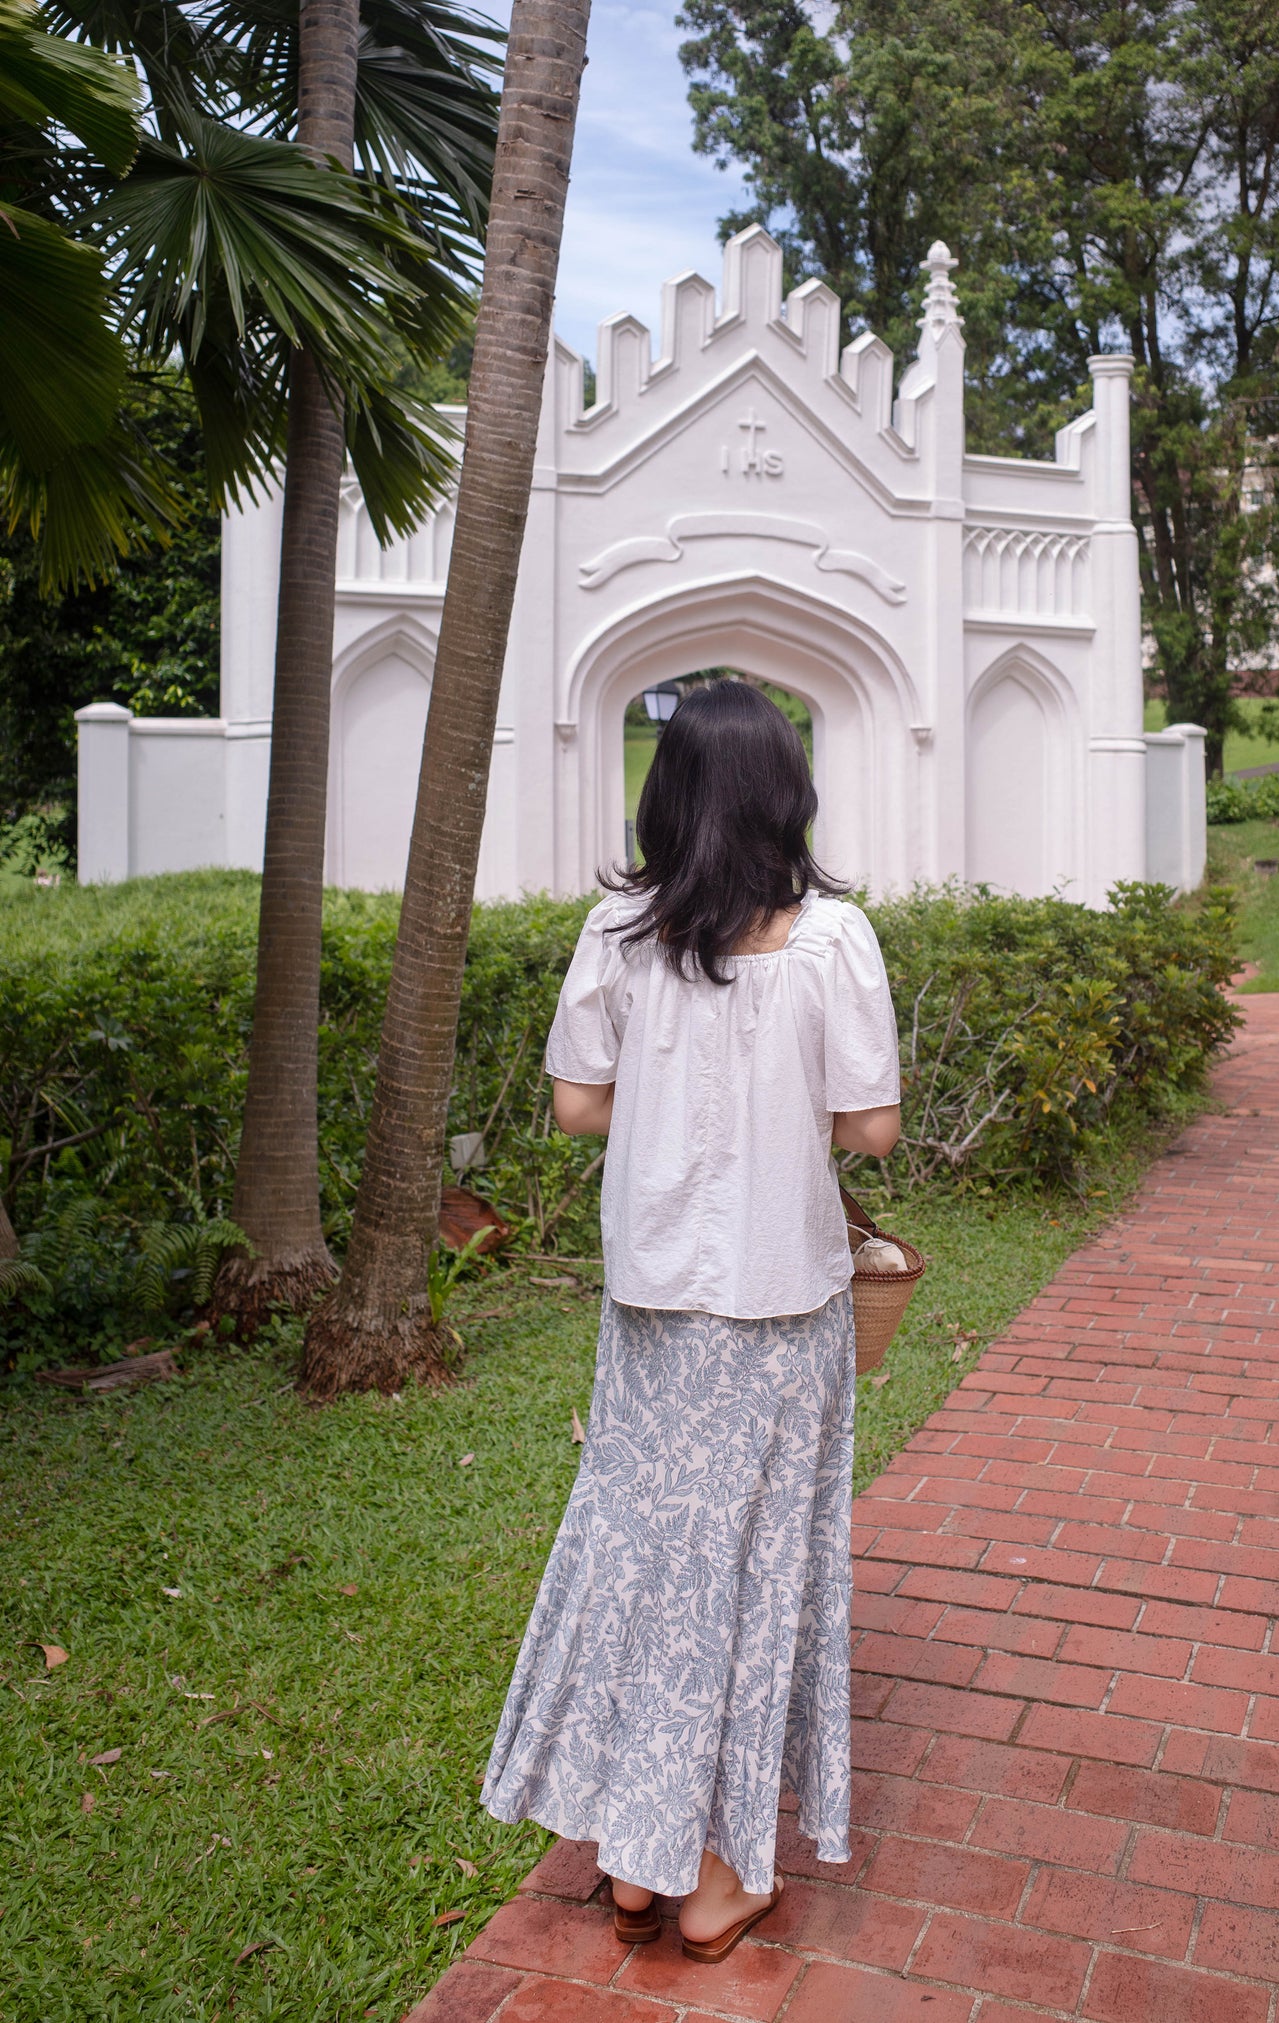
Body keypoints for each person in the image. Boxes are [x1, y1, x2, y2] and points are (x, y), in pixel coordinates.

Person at [480, 679, 901, 1962]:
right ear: (786, 795)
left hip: (654, 1306)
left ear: (666, 794)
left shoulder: (617, 930)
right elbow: (870, 1127)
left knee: (643, 1556)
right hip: (779, 1309)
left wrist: (678, 1103)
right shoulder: (832, 940)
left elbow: (574, 1106)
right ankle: (716, 1875)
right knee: (749, 1573)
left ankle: (629, 1859)